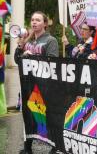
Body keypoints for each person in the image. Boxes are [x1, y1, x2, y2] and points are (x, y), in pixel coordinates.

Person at [14, 11, 59, 154]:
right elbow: (17, 60)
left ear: (45, 23)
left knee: (48, 117)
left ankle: (55, 146)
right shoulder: (27, 41)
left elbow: (53, 62)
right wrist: (20, 47)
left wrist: (33, 57)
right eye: (32, 20)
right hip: (28, 86)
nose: (34, 22)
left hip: (44, 87)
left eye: (38, 20)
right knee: (28, 115)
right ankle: (28, 147)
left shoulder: (51, 40)